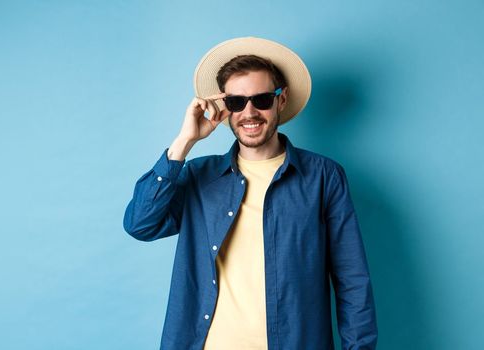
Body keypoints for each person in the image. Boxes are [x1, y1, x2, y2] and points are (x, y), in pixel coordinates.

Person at [122, 37, 377, 350]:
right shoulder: (199, 176)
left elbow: (352, 281)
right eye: (236, 102)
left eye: (262, 100)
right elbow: (140, 224)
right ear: (225, 108)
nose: (249, 112)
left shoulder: (323, 177)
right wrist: (184, 142)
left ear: (280, 101)